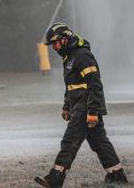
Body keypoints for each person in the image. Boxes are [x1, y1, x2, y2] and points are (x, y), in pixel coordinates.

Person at [34, 22, 128, 187]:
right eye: (52, 45)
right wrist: (66, 106)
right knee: (99, 142)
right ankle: (117, 175)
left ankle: (55, 179)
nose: (54, 47)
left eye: (55, 43)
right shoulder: (69, 57)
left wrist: (92, 111)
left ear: (65, 38)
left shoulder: (81, 55)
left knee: (69, 141)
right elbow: (71, 85)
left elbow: (94, 84)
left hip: (86, 107)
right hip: (78, 106)